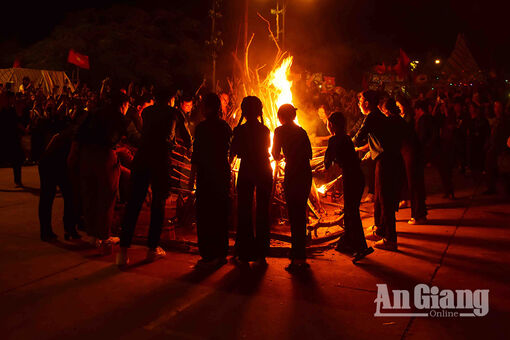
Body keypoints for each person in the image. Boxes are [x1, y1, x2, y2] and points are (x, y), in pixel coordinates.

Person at [117, 89, 191, 266]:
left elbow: (147, 132)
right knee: (158, 204)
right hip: (160, 159)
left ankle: (123, 251)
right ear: (171, 98)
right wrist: (187, 146)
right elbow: (187, 138)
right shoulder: (175, 112)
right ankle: (152, 248)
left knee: (134, 203)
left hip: (142, 157)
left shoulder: (148, 111)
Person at [69, 92, 130, 254]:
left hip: (86, 156)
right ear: (123, 105)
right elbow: (134, 136)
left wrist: (73, 154)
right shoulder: (119, 117)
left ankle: (92, 235)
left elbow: (78, 132)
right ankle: (104, 235)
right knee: (106, 196)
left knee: (89, 195)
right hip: (104, 156)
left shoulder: (94, 112)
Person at [353, 90, 400, 251]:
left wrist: (343, 142)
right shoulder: (377, 116)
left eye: (360, 101)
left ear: (367, 103)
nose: (359, 104)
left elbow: (359, 136)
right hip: (384, 159)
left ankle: (391, 239)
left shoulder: (372, 116)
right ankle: (380, 230)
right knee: (379, 197)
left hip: (386, 160)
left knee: (385, 199)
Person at [189, 93, 232, 268]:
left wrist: (191, 181)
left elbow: (196, 156)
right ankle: (221, 253)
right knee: (220, 214)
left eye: (203, 105)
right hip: (221, 173)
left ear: (209, 108)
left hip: (207, 175)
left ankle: (207, 253)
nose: (200, 108)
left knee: (205, 214)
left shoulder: (202, 128)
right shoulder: (225, 127)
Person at [324, 111, 374, 263]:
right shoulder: (346, 138)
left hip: (351, 177)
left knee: (352, 212)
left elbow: (327, 162)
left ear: (331, 125)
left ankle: (361, 248)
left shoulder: (334, 140)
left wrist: (322, 167)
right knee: (350, 210)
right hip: (358, 177)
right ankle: (347, 241)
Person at [230, 96, 272, 265]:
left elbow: (234, 152)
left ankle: (245, 252)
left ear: (244, 112)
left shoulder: (239, 131)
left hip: (247, 170)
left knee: (244, 210)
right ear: (260, 111)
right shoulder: (265, 130)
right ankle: (261, 253)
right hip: (263, 169)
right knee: (263, 211)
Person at [272, 104, 313, 271]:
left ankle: (297, 257)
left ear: (281, 117)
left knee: (294, 215)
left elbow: (275, 154)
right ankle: (300, 256)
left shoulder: (279, 131)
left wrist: (284, 155)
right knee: (300, 214)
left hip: (292, 174)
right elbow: (309, 154)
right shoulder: (301, 131)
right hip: (304, 173)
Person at [388, 98, 427, 225]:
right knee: (413, 183)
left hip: (411, 153)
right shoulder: (399, 119)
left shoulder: (398, 120)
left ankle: (418, 215)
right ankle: (419, 213)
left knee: (414, 183)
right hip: (409, 153)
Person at [38, 125, 80, 241]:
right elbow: (72, 157)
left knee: (47, 198)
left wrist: (46, 154)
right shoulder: (78, 135)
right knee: (69, 196)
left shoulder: (67, 131)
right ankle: (69, 229)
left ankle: (46, 231)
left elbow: (54, 139)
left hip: (48, 161)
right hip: (57, 164)